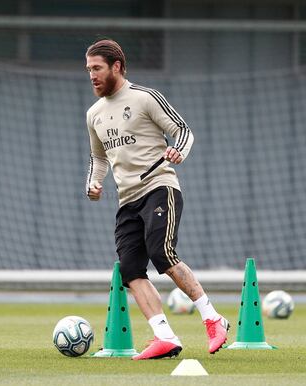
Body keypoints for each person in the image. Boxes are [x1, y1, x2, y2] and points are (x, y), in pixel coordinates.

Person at [85, 39, 229, 360]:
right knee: (130, 270)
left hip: (159, 187)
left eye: (97, 68)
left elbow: (183, 130)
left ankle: (213, 318)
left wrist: (179, 149)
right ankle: (164, 336)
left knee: (161, 253)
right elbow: (98, 158)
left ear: (117, 67)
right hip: (127, 201)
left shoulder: (145, 98)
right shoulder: (93, 114)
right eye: (89, 70)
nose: (92, 75)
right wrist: (94, 184)